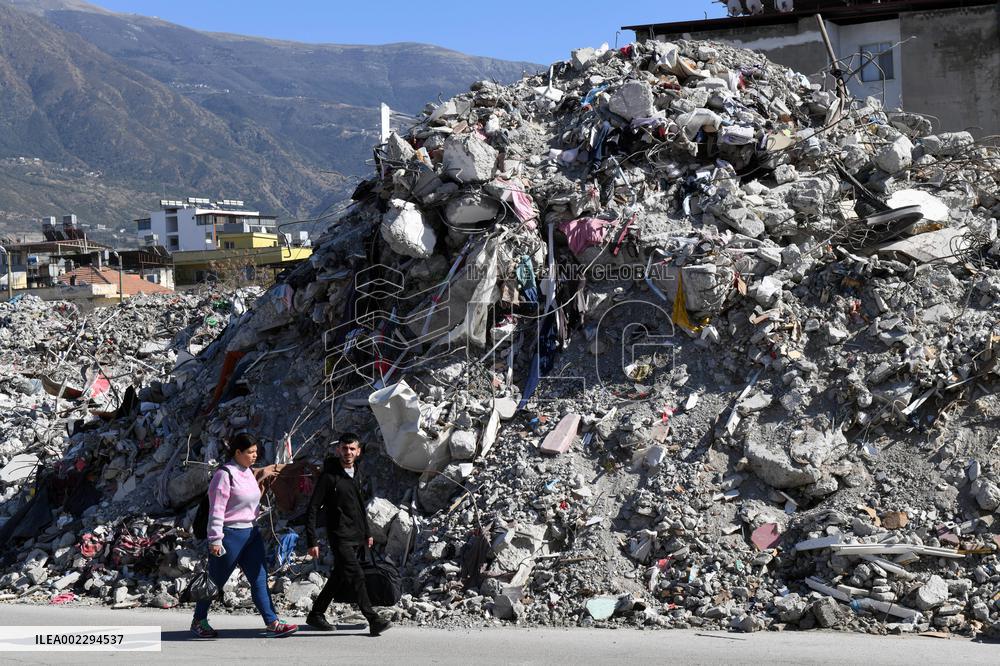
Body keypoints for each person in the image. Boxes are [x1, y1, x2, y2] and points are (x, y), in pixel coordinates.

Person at [190, 433, 298, 638]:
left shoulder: (247, 471)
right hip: (229, 536)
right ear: (237, 452)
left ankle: (272, 622)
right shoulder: (224, 475)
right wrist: (215, 538)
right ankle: (199, 620)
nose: (255, 455)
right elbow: (217, 510)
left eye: (256, 451)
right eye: (250, 452)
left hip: (251, 533)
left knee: (259, 579)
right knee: (215, 580)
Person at [305, 433, 391, 636]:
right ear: (338, 450)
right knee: (356, 575)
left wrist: (367, 532)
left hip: (357, 534)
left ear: (358, 451)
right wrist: (311, 539)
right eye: (345, 448)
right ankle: (373, 619)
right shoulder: (329, 477)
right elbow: (313, 508)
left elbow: (360, 505)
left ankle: (316, 614)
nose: (348, 452)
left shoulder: (356, 472)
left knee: (339, 575)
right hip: (339, 535)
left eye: (352, 449)